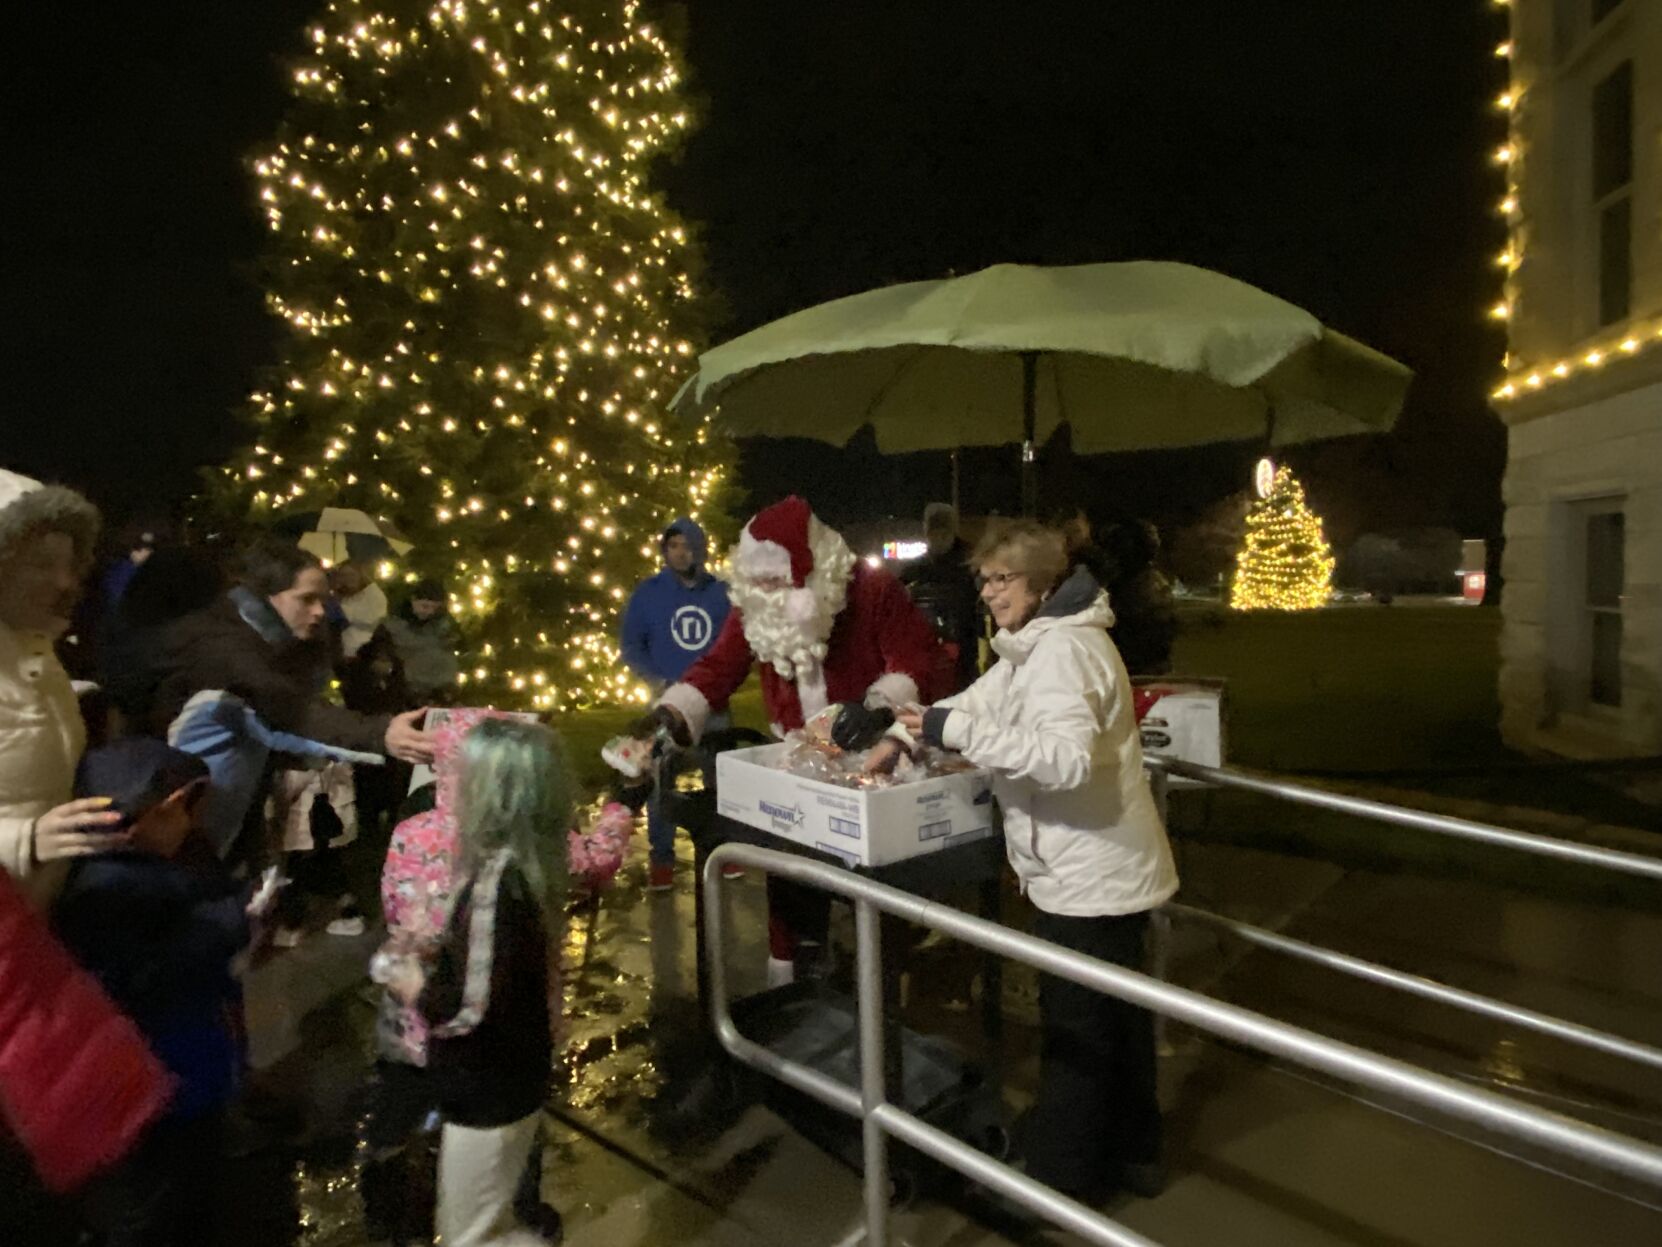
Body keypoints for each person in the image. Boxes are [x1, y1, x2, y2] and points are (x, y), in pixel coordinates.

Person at [887, 519, 1178, 1203]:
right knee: (1120, 1020)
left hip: (1090, 876)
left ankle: (1059, 1180)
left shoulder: (1064, 653)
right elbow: (972, 703)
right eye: (984, 579)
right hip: (1102, 867)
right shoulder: (1032, 647)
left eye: (1003, 579)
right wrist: (905, 731)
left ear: (1043, 584)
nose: (989, 592)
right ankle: (1137, 1153)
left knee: (1077, 1030)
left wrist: (947, 731)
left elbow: (1066, 759)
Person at [639, 496, 948, 984]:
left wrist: (876, 708)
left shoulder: (870, 590)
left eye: (776, 582)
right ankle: (793, 978)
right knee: (787, 872)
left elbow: (919, 660)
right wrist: (673, 717)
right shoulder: (757, 607)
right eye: (758, 583)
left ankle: (882, 982)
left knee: (870, 876)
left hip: (870, 757)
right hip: (793, 754)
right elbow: (720, 666)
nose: (766, 592)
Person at [381, 718, 571, 1247]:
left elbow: (466, 1008)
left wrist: (412, 981)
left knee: (471, 1233)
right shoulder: (533, 863)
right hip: (515, 1076)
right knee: (492, 1216)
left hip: (487, 1091)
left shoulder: (494, 883)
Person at [55, 739, 251, 1247]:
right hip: (161, 1083)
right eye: (177, 810)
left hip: (199, 1064)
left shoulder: (170, 861)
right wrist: (224, 926)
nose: (187, 822)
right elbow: (134, 976)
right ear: (134, 816)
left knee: (197, 1182)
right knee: (162, 1202)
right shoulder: (104, 892)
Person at [151, 540, 434, 867]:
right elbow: (287, 707)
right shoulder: (223, 648)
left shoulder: (287, 643)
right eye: (307, 599)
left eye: (323, 600)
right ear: (268, 596)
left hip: (232, 804)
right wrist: (380, 733)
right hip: (182, 812)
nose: (320, 611)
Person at [0, 467, 125, 907]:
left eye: (68, 565)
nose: (64, 582)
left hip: (33, 912)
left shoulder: (38, 649)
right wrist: (23, 841)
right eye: (40, 564)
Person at [618, 517, 732, 889]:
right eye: (674, 546)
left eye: (689, 545)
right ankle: (662, 861)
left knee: (722, 780)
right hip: (667, 705)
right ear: (665, 550)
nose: (682, 553)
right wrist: (658, 680)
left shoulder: (720, 593)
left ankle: (723, 852)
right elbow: (632, 645)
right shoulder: (648, 593)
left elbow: (736, 643)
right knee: (660, 783)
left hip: (712, 704)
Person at [899, 502, 981, 693]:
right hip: (927, 638)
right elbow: (899, 588)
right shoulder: (918, 567)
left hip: (963, 637)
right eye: (934, 533)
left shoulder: (970, 562)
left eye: (944, 532)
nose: (939, 538)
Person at [384, 578, 461, 707]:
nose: (429, 612)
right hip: (407, 690)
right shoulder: (393, 625)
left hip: (441, 689)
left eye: (434, 608)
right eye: (424, 606)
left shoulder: (446, 627)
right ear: (413, 600)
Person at [330, 559, 390, 659]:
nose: (347, 579)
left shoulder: (374, 595)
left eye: (351, 575)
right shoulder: (342, 596)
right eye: (343, 575)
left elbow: (370, 619)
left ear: (360, 575)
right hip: (341, 653)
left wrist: (340, 609)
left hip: (365, 652)